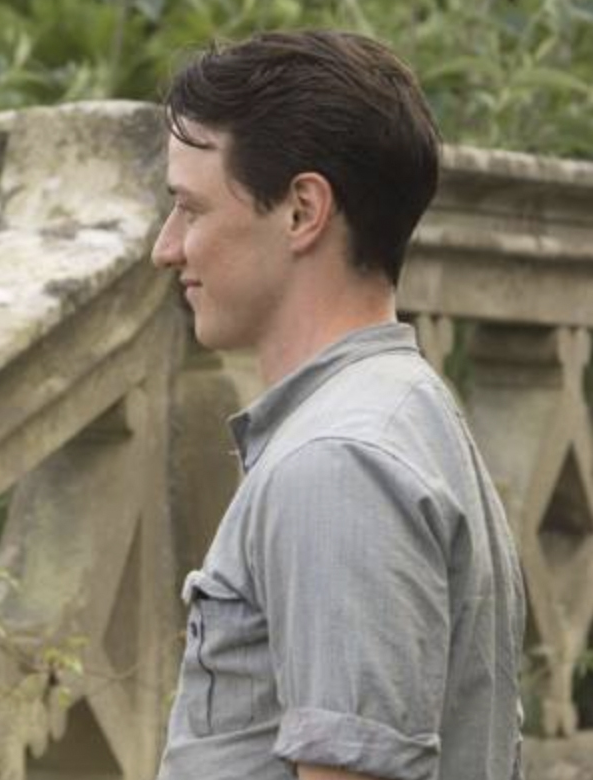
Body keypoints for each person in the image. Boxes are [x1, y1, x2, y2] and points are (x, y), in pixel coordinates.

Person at [150, 31, 525, 780]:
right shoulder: (401, 414)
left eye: (190, 209)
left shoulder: (339, 462)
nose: (167, 247)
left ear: (302, 211)